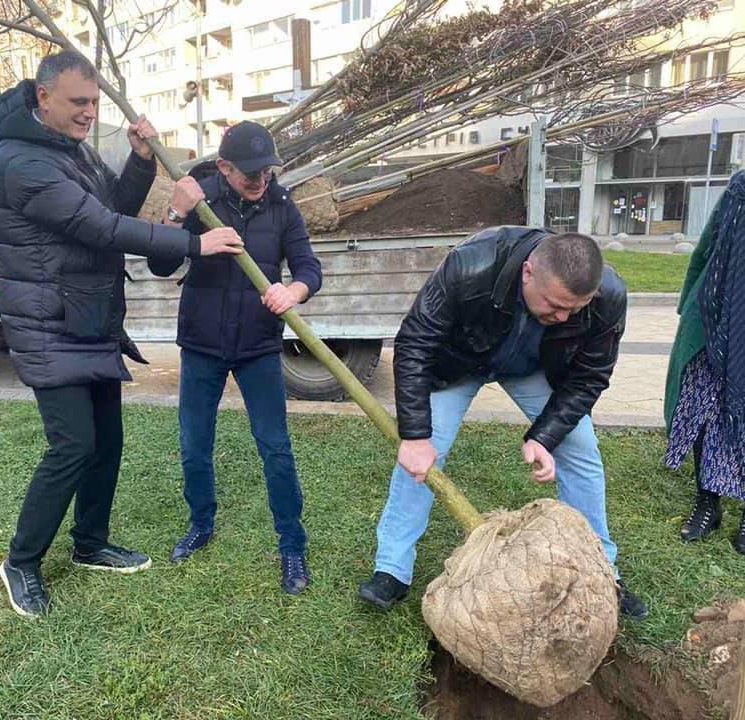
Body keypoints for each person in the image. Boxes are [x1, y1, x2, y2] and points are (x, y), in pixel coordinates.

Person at [0, 50, 244, 618]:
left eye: (95, 103)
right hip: (48, 325)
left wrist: (140, 159)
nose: (88, 113)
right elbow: (101, 227)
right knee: (73, 445)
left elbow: (115, 205)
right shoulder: (21, 163)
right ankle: (21, 562)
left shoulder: (69, 150)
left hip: (88, 317)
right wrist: (193, 243)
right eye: (78, 102)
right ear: (42, 97)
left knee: (107, 442)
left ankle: (90, 543)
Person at [356, 227, 649, 620]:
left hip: (532, 368)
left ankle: (603, 573)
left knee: (580, 449)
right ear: (528, 271)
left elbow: (590, 376)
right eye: (554, 304)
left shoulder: (608, 295)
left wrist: (546, 436)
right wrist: (414, 434)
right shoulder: (471, 265)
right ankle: (392, 569)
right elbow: (415, 343)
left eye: (573, 311)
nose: (562, 317)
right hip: (458, 363)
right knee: (423, 454)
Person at [148, 121, 322, 594]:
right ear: (224, 167)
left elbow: (308, 265)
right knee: (193, 446)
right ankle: (201, 525)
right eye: (250, 172)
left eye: (267, 170)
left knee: (276, 448)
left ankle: (291, 545)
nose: (260, 179)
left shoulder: (282, 206)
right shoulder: (199, 199)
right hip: (202, 343)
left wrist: (294, 290)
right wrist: (174, 213)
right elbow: (160, 263)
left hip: (258, 346)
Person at [665, 172, 745, 551]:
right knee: (702, 406)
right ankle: (707, 502)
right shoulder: (740, 186)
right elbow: (707, 246)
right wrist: (687, 306)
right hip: (714, 312)